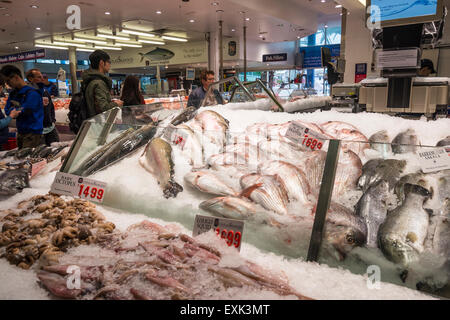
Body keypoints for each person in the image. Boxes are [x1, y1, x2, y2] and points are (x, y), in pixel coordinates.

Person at [0, 65, 44, 149]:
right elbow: (7, 110)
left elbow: (26, 110)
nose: (7, 84)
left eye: (8, 81)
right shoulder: (13, 93)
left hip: (32, 134)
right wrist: (15, 110)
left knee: (29, 159)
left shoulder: (32, 93)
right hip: (20, 132)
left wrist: (15, 110)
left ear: (16, 77)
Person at [82, 50, 123, 119]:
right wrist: (117, 104)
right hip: (98, 123)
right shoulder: (99, 83)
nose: (110, 65)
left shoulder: (90, 79)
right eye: (109, 62)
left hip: (92, 120)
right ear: (101, 63)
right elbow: (103, 108)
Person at [26, 69, 60, 146]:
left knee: (56, 147)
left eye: (41, 76)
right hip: (36, 130)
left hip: (49, 126)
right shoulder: (27, 92)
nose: (42, 79)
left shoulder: (45, 91)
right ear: (31, 79)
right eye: (39, 77)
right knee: (40, 152)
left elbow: (51, 106)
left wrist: (53, 119)